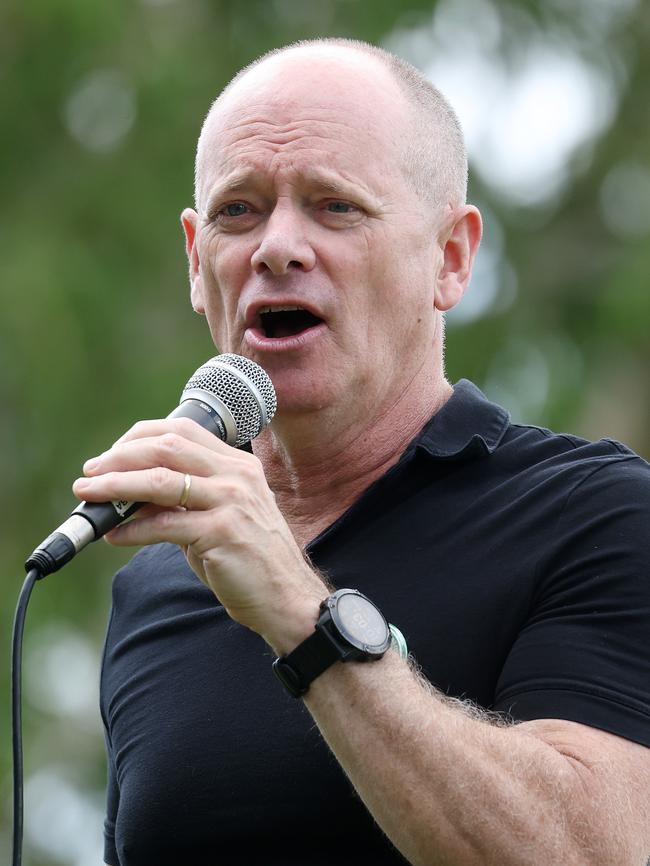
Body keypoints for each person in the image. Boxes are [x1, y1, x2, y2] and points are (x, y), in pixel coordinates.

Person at [73, 38, 650, 866]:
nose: (276, 246)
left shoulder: (593, 513)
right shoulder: (156, 586)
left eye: (334, 206)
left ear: (450, 259)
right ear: (198, 265)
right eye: (239, 210)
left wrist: (299, 614)